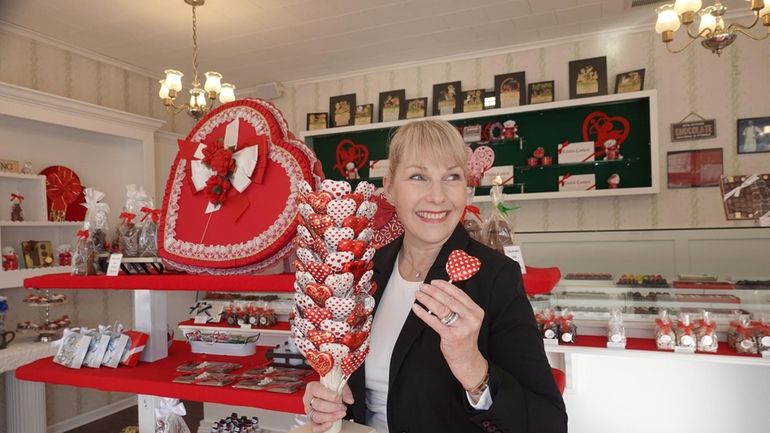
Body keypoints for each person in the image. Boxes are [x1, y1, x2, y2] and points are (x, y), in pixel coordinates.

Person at [302, 119, 567, 433]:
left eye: (452, 177)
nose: (438, 196)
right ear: (389, 188)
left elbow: (548, 423)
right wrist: (325, 399)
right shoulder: (363, 271)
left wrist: (473, 369)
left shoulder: (495, 278)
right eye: (418, 177)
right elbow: (353, 393)